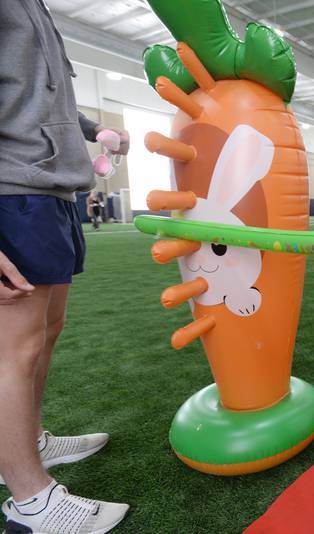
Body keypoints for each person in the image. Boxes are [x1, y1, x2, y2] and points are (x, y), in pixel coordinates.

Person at [0, 2, 130, 532]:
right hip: (12, 190)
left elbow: (34, 98)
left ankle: (29, 443)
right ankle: (30, 503)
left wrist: (95, 129)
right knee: (16, 348)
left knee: (47, 332)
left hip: (53, 188)